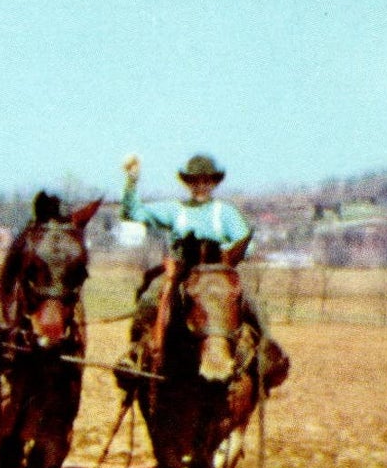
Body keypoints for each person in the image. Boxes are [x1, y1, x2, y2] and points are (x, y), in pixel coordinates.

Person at [117, 153, 288, 387]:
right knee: (150, 297)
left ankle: (265, 356)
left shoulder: (225, 213)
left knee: (251, 302)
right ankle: (136, 354)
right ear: (188, 183)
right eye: (195, 181)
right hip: (182, 274)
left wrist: (224, 252)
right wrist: (132, 181)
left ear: (213, 183)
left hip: (219, 275)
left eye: (205, 181)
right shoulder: (175, 209)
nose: (200, 186)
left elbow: (247, 243)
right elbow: (133, 212)